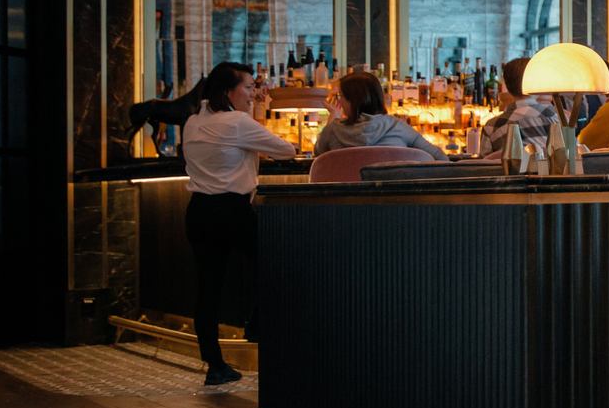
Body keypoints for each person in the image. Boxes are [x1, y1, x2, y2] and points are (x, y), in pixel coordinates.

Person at [181, 61, 295, 387]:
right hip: (232, 210)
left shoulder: (192, 122)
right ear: (228, 91)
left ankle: (215, 364)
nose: (253, 93)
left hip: (199, 211)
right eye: (248, 87)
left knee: (208, 288)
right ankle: (257, 326)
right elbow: (287, 150)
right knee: (271, 265)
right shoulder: (237, 122)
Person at [313, 70, 448, 159]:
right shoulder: (397, 126)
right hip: (393, 195)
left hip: (345, 195)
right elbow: (439, 157)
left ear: (351, 101)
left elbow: (319, 158)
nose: (339, 101)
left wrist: (333, 117)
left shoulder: (333, 131)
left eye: (340, 96)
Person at [481, 56, 559, 157]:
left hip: (506, 167)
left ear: (507, 87)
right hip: (546, 167)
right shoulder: (553, 116)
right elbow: (569, 153)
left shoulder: (491, 126)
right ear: (536, 83)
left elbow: (484, 162)